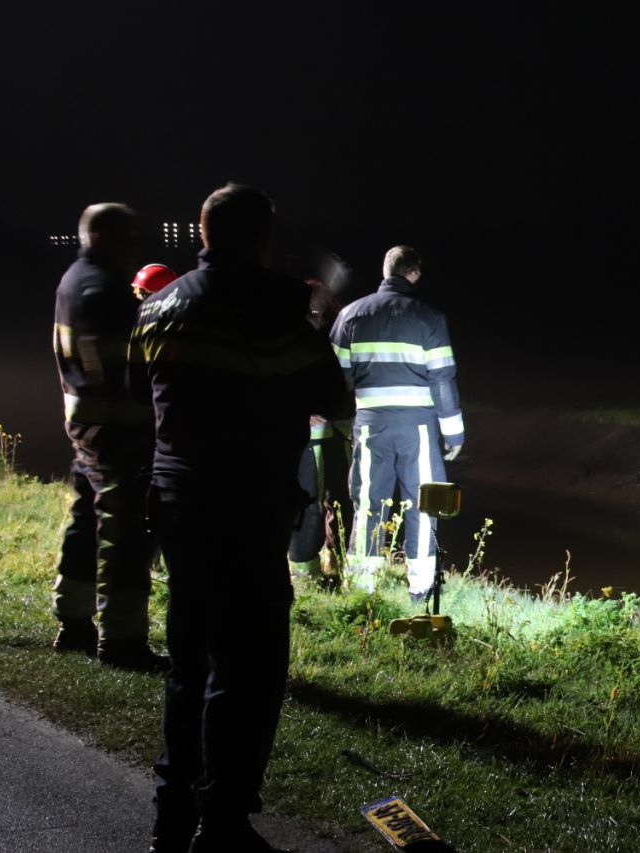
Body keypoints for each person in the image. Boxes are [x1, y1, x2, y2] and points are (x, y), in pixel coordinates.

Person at [130, 183, 346, 853]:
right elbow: (333, 396)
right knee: (248, 666)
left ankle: (172, 816)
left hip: (175, 503)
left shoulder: (158, 307)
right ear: (262, 237)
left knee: (188, 659)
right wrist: (311, 324)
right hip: (246, 506)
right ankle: (222, 823)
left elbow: (143, 395)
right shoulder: (274, 306)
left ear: (202, 233)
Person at [51, 202, 165, 671]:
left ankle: (73, 620)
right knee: (127, 534)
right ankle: (121, 642)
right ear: (101, 237)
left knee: (84, 524)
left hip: (85, 425)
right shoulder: (107, 292)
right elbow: (133, 371)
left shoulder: (72, 281)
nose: (134, 244)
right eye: (127, 234)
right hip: (118, 433)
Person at [329, 245, 464, 604]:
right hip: (418, 427)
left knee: (369, 501)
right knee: (424, 504)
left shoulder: (350, 315)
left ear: (386, 271)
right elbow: (442, 380)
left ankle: (362, 587)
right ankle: (421, 588)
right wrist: (454, 434)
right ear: (414, 273)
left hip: (370, 424)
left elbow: (333, 377)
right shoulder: (429, 317)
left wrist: (344, 417)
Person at [287, 278, 353, 586]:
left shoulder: (328, 335)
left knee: (335, 501)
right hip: (309, 439)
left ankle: (330, 562)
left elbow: (338, 387)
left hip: (332, 435)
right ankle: (305, 572)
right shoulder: (297, 338)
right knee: (310, 503)